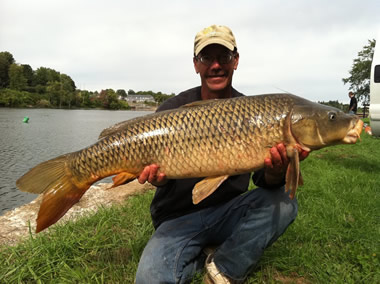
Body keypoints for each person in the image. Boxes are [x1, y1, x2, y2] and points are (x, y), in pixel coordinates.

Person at [135, 25, 309, 284]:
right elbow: (158, 175)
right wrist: (158, 178)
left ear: (235, 61)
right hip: (177, 219)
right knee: (149, 280)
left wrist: (274, 170)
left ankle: (223, 267)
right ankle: (198, 252)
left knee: (284, 201)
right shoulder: (172, 110)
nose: (216, 65)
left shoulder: (253, 111)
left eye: (224, 57)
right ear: (196, 64)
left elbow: (265, 182)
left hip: (228, 211)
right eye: (207, 58)